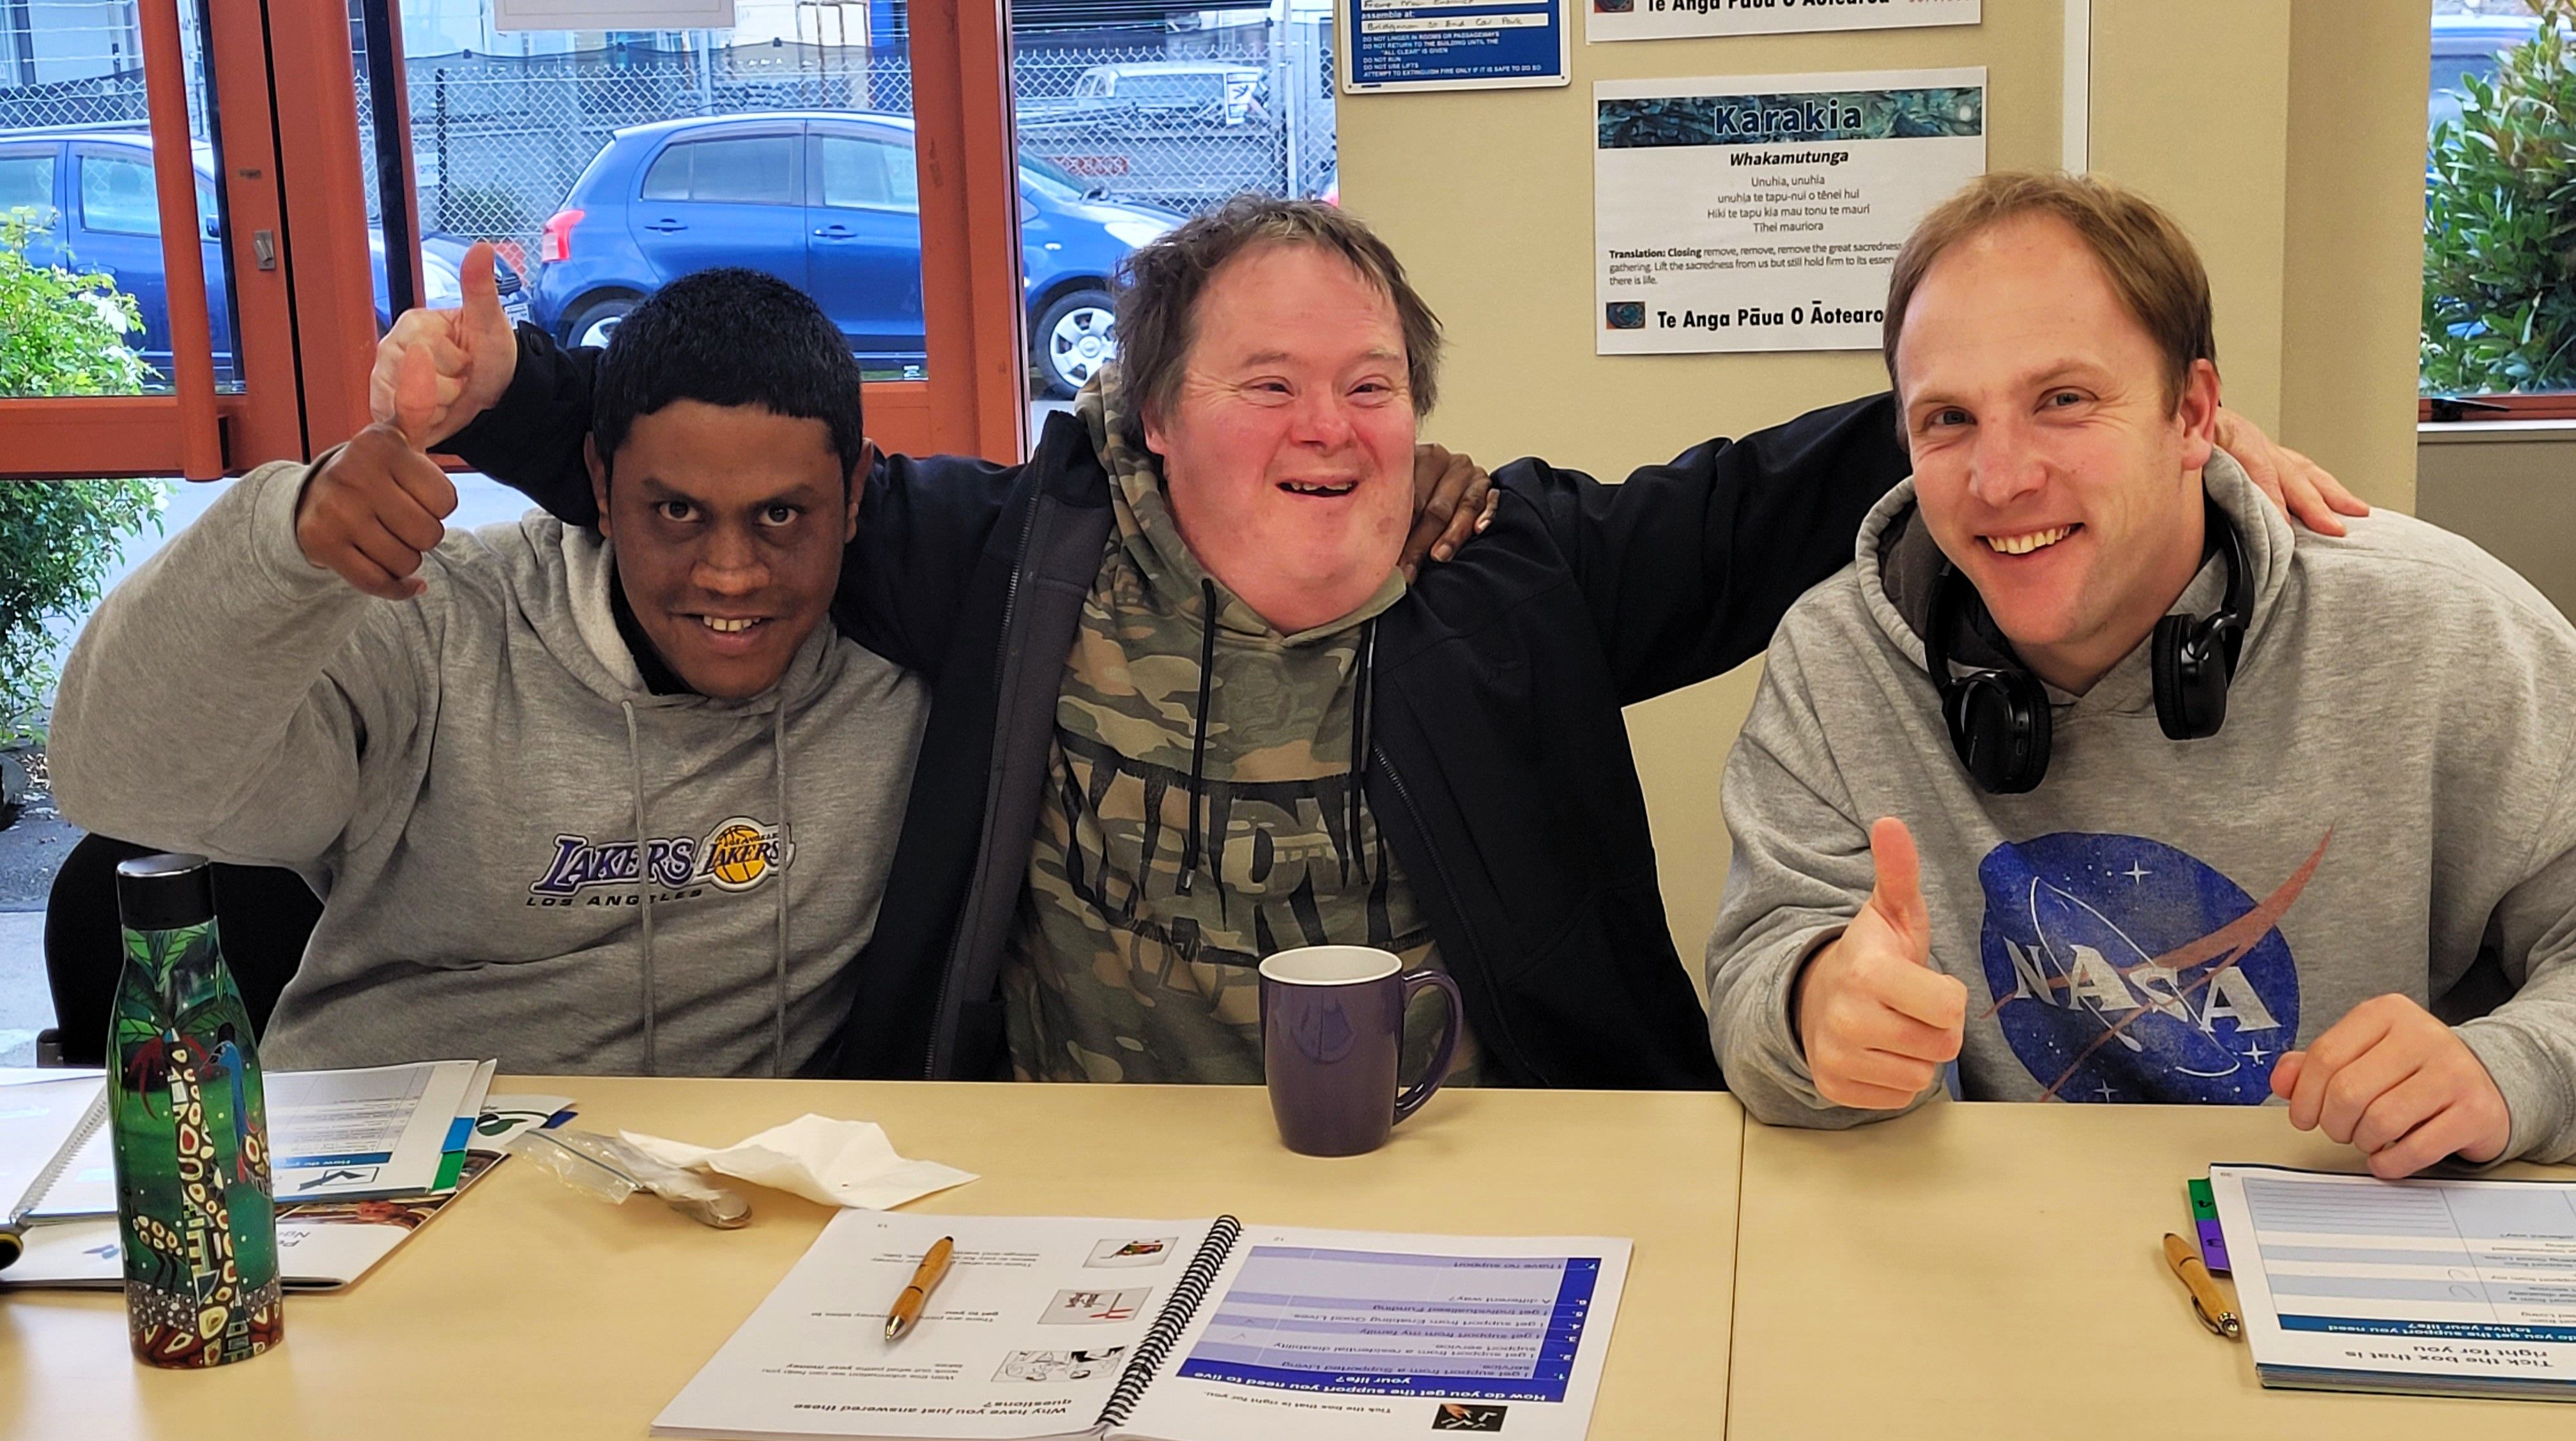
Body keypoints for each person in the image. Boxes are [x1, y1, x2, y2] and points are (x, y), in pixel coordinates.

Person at [344, 197, 2355, 1089]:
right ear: (1147, 420)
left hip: (1483, 1210)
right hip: (1067, 1220)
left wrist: (2106, 433)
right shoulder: (1011, 555)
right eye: (1272, 385)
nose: (1333, 430)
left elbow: (1783, 488)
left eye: (1374, 383)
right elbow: (751, 487)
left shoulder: (1516, 572)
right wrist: (514, 394)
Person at [1704, 171, 2576, 1175]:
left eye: (2064, 401)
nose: (2001, 479)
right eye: (1948, 419)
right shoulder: (1836, 659)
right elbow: (1758, 974)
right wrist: (1813, 1004)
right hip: (1999, 1244)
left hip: (2350, 1226)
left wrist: (2509, 1070)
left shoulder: (2444, 626)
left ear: (2195, 414)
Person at [49, 270, 929, 1077]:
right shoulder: (440, 623)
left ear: (852, 496)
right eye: (675, 511)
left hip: (726, 1207)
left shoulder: (909, 663)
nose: (731, 572)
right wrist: (287, 540)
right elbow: (119, 782)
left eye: (780, 514)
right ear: (599, 483)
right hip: (391, 1191)